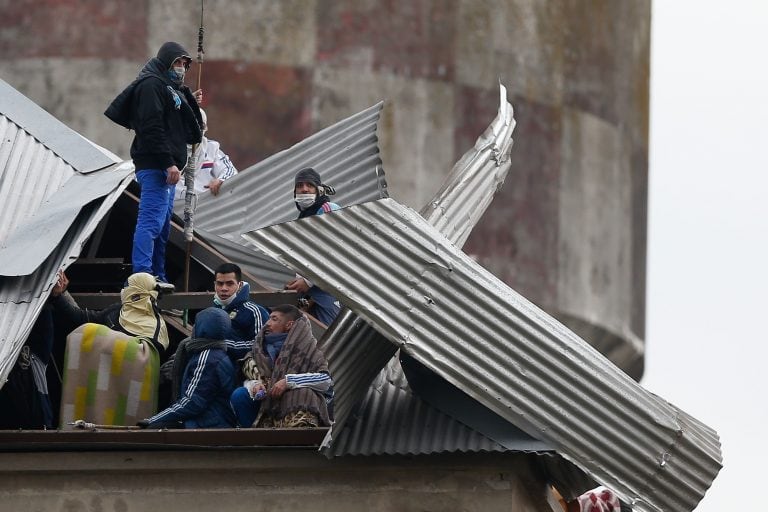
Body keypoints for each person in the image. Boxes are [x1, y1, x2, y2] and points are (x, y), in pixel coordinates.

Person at [105, 41, 203, 283]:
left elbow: (179, 124)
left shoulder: (169, 88)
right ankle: (143, 274)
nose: (181, 68)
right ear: (166, 61)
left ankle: (157, 274)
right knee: (151, 221)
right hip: (157, 166)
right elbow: (152, 127)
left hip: (167, 168)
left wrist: (188, 97)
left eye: (184, 64)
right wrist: (167, 162)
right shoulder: (151, 86)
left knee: (162, 228)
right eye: (177, 62)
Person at [230, 304, 333, 428]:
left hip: (292, 408)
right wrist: (255, 385)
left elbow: (325, 380)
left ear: (289, 325)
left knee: (304, 393)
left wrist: (288, 382)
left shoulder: (311, 351)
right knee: (240, 395)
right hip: (265, 406)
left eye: (274, 319)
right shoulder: (259, 349)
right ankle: (255, 441)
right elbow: (247, 378)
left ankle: (297, 440)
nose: (267, 323)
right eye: (269, 318)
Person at [139, 307, 236, 429]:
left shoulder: (207, 358)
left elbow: (192, 402)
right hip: (214, 420)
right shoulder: (215, 354)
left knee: (153, 430)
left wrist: (152, 420)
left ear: (203, 328)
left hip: (207, 424)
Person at [50, 272, 170, 358]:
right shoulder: (118, 311)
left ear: (134, 294)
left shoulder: (156, 331)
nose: (123, 291)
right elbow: (82, 318)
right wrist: (61, 294)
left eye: (127, 287)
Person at [283, 167, 342, 325]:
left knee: (329, 332)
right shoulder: (301, 218)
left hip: (330, 288)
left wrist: (308, 281)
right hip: (311, 292)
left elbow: (335, 251)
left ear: (319, 189)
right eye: (300, 186)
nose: (304, 189)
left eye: (309, 185)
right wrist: (299, 281)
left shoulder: (328, 210)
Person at [174, 108, 238, 200]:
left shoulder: (211, 148)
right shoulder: (169, 149)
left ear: (206, 128)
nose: (196, 129)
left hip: (207, 205)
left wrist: (220, 180)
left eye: (201, 125)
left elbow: (230, 170)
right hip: (175, 206)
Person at [212, 262, 269, 346]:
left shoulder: (255, 312)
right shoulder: (212, 311)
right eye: (220, 284)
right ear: (215, 284)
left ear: (240, 285)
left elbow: (259, 346)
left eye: (230, 284)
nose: (224, 288)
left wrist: (219, 345)